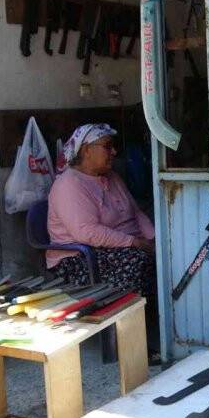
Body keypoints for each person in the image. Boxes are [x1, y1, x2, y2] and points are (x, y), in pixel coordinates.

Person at [46, 123, 156, 296]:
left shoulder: (111, 177)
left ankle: (155, 315)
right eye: (107, 147)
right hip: (79, 257)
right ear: (86, 150)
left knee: (166, 255)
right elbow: (87, 232)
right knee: (139, 262)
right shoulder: (69, 184)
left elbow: (136, 212)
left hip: (116, 247)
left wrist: (153, 239)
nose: (114, 152)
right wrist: (134, 242)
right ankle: (132, 319)